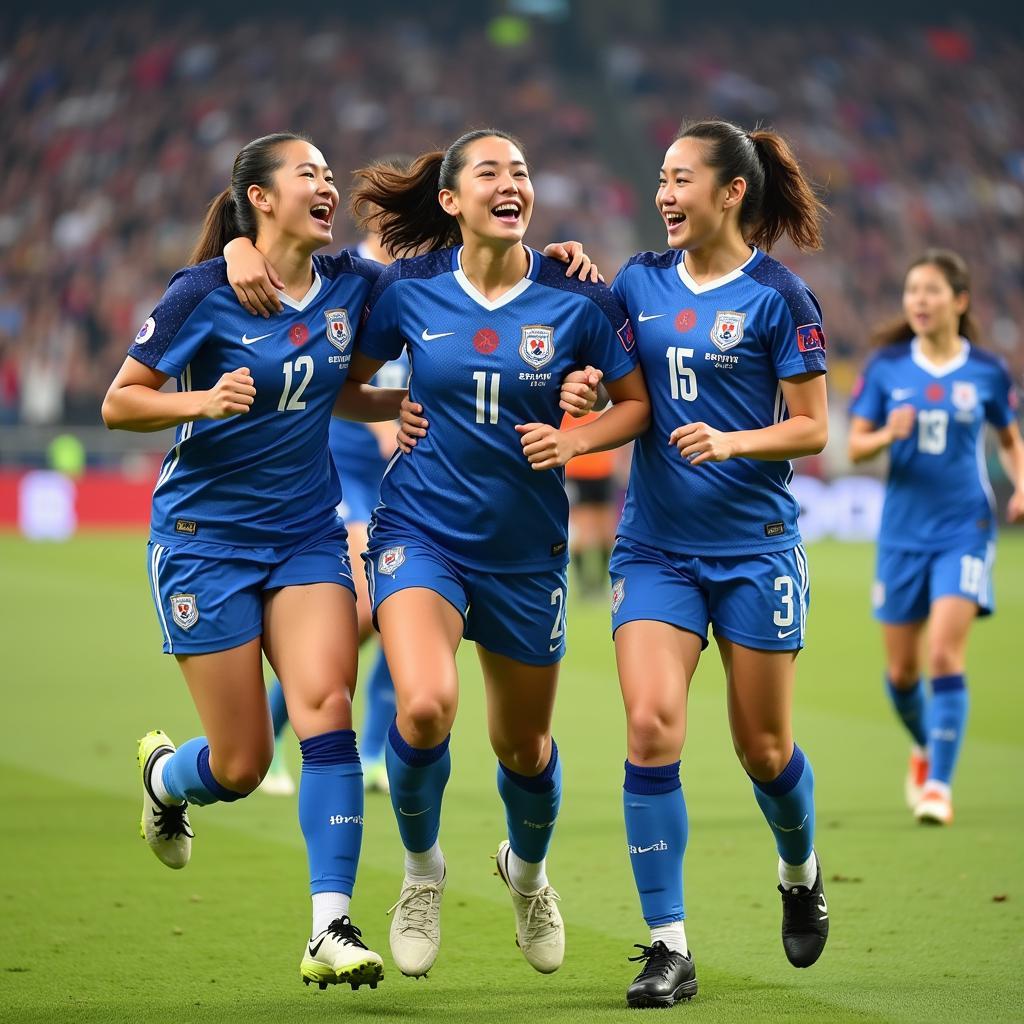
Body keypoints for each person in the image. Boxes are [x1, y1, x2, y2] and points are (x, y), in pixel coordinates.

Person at [100, 131, 415, 992]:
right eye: (305, 175)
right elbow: (119, 399)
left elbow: (341, 385)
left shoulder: (354, 284)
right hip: (204, 543)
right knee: (238, 767)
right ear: (260, 200)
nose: (325, 186)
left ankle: (329, 926)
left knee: (328, 714)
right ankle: (167, 777)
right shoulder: (204, 289)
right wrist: (204, 398)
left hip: (307, 535)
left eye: (327, 176)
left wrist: (398, 399)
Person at [350, 128, 649, 980]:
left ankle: (527, 874)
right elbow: (343, 378)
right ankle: (419, 873)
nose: (511, 182)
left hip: (524, 552)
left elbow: (634, 404)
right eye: (491, 172)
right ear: (451, 200)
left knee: (524, 748)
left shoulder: (576, 297)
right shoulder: (405, 291)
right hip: (421, 533)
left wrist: (578, 435)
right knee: (422, 708)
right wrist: (384, 408)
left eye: (521, 170)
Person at [226, 187, 606, 800]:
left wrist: (562, 258)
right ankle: (275, 736)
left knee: (395, 624)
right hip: (350, 469)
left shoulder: (443, 278)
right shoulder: (361, 277)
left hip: (422, 472)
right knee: (365, 617)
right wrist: (237, 244)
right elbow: (278, 269)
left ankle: (377, 747)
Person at [605, 119, 831, 1007]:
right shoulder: (636, 283)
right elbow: (603, 366)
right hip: (655, 546)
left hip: (755, 550)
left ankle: (799, 868)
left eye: (681, 179)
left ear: (731, 191)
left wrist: (734, 442)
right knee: (651, 725)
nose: (664, 194)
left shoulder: (780, 296)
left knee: (764, 749)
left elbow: (814, 427)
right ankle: (668, 946)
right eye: (660, 178)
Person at [848, 249, 1024, 826]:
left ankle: (939, 787)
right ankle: (926, 743)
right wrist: (883, 436)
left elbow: (1008, 439)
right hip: (901, 533)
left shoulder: (987, 372)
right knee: (901, 674)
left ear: (959, 300)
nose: (919, 300)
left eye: (931, 290)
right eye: (911, 290)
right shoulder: (886, 367)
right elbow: (854, 446)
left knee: (946, 652)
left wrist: (1021, 484)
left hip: (964, 529)